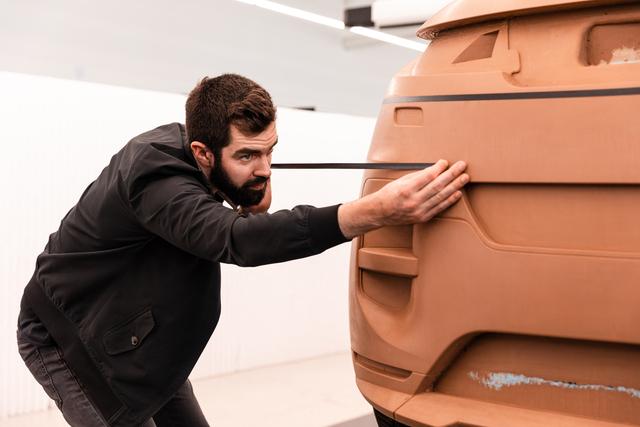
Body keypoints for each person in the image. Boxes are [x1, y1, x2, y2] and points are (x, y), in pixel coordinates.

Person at [16, 74, 468, 427]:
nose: (265, 169)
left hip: (133, 336)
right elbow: (237, 240)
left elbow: (236, 215)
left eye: (270, 152)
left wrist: (247, 185)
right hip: (69, 336)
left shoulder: (202, 159)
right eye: (248, 155)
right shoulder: (155, 179)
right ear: (202, 151)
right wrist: (376, 211)